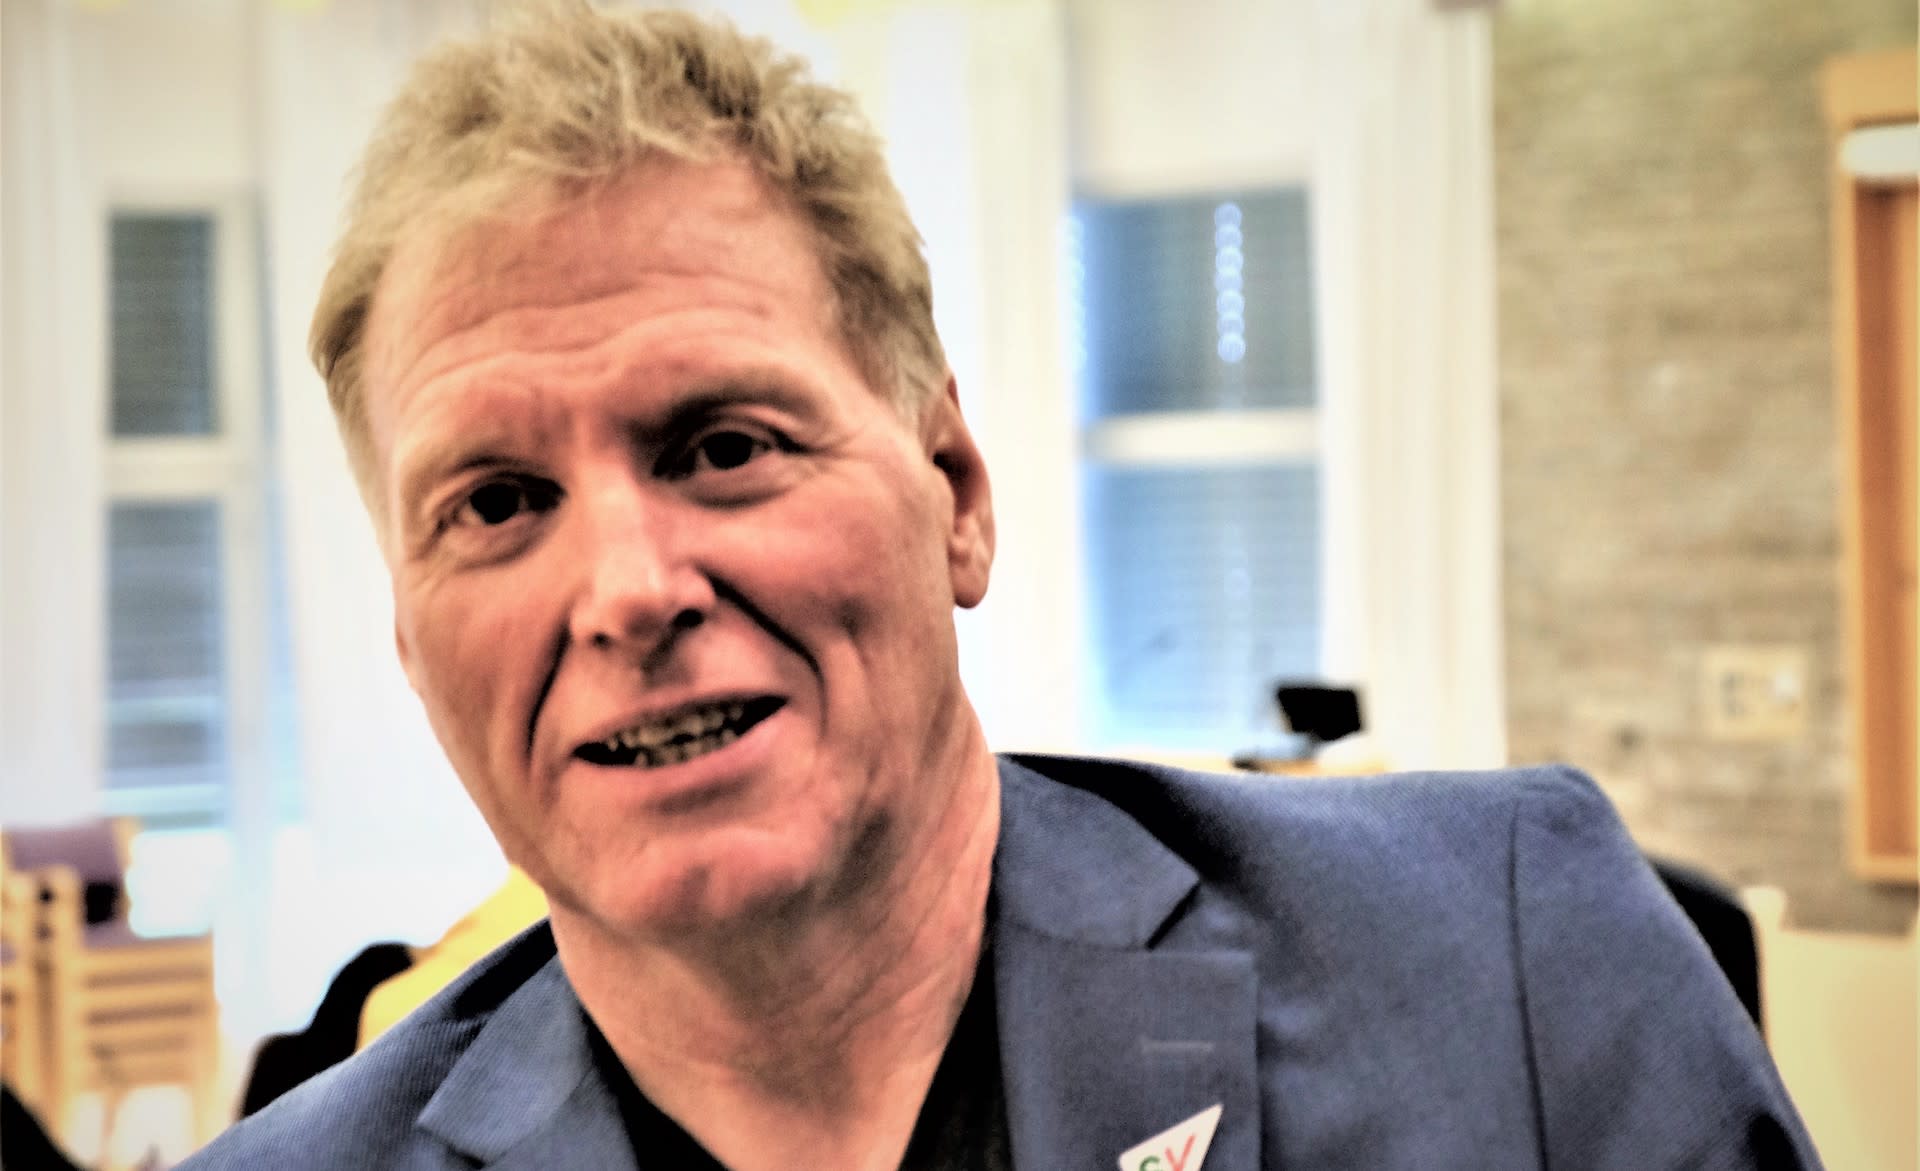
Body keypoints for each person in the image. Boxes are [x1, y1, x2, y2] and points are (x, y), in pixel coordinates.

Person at [182, 4, 1820, 1168]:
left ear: (956, 493)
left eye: (724, 446)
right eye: (496, 502)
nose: (625, 590)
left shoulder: (1513, 970)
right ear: (410, 644)